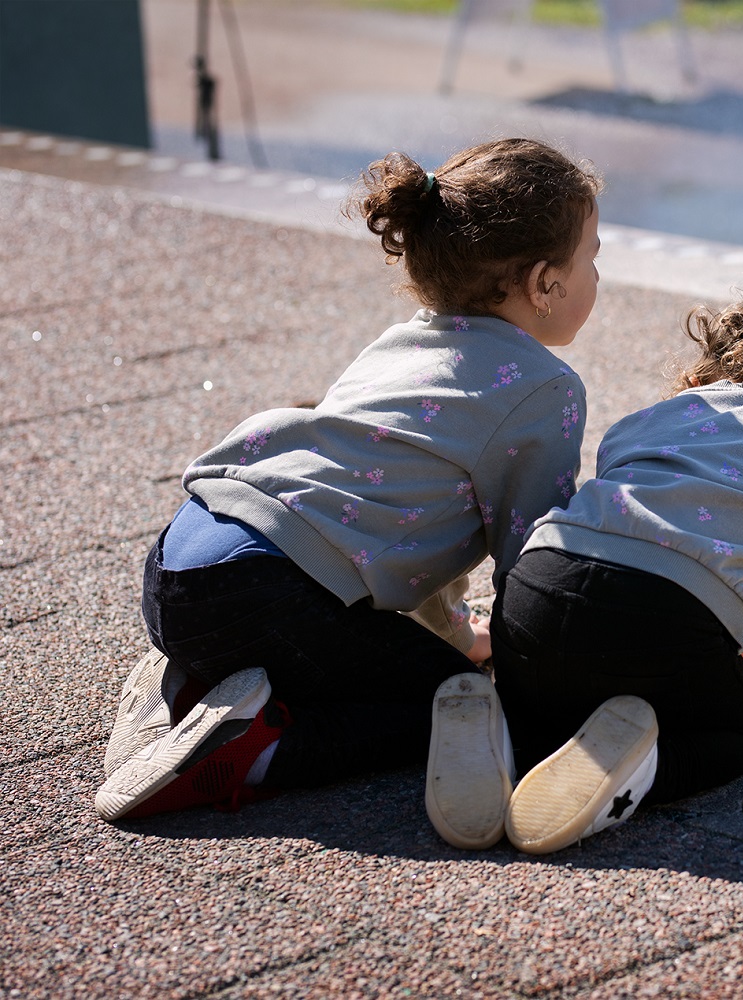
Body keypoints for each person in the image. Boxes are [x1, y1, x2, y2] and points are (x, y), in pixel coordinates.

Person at [95, 137, 603, 825]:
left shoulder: (403, 342)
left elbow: (409, 531)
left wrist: (454, 630)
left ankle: (188, 683)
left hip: (179, 564)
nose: (599, 275)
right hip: (260, 593)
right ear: (546, 283)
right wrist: (549, 678)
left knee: (404, 660)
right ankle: (256, 751)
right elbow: (529, 563)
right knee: (455, 698)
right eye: (592, 257)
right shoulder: (544, 390)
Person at [426, 244, 743, 854]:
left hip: (536, 588)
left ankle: (500, 734)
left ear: (702, 379)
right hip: (664, 618)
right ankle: (633, 775)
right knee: (735, 734)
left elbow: (634, 527)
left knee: (558, 711)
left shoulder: (652, 418)